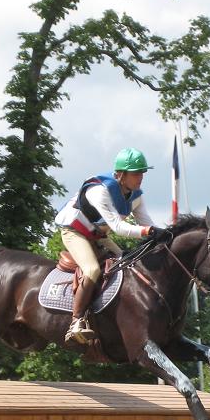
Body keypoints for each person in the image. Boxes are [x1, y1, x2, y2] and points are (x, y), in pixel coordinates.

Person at [54, 147, 164, 343]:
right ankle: (76, 322)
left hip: (99, 236)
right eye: (136, 173)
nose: (141, 177)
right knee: (92, 269)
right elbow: (119, 227)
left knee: (127, 262)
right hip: (75, 232)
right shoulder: (100, 191)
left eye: (142, 173)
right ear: (121, 174)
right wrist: (148, 231)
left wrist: (164, 235)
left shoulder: (136, 196)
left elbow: (146, 224)